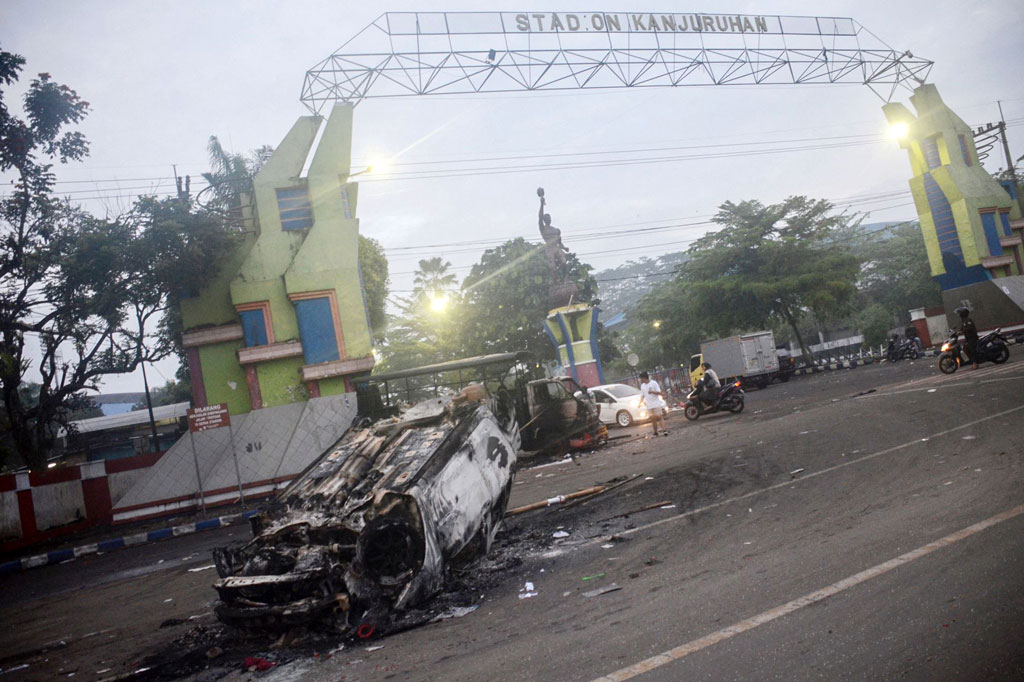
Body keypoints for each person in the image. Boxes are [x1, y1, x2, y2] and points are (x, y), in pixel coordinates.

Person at [638, 371, 668, 436]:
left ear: (644, 378)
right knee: (653, 419)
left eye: (641, 378)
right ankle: (655, 432)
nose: (640, 380)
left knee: (660, 417)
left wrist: (652, 392)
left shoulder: (653, 383)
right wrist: (640, 403)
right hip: (649, 405)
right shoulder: (642, 386)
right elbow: (642, 395)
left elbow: (659, 392)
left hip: (656, 404)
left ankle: (664, 430)